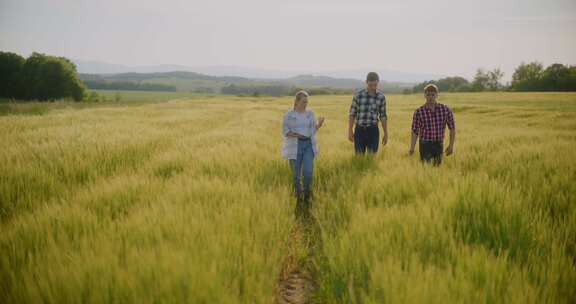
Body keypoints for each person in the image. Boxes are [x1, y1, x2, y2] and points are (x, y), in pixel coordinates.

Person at [282, 91, 325, 204]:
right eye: (303, 102)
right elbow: (285, 132)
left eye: (307, 102)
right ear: (296, 101)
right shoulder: (288, 115)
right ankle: (298, 193)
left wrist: (319, 125)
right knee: (296, 174)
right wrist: (297, 135)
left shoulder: (310, 114)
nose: (305, 104)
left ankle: (307, 194)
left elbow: (312, 130)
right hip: (295, 145)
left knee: (308, 172)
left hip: (308, 145)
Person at [409, 84, 456, 166]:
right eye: (428, 95)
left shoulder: (445, 109)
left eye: (433, 95)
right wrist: (412, 148)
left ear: (437, 95)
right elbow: (415, 131)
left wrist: (451, 145)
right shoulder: (419, 112)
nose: (430, 97)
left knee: (437, 169)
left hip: (439, 144)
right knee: (425, 169)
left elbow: (452, 128)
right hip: (425, 145)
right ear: (425, 95)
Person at [348, 72, 388, 154]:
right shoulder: (358, 95)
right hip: (359, 131)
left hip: (373, 131)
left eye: (375, 85)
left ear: (378, 82)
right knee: (359, 157)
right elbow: (352, 114)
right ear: (366, 82)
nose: (373, 87)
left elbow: (383, 116)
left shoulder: (381, 97)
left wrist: (386, 133)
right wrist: (350, 130)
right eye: (370, 85)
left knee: (372, 158)